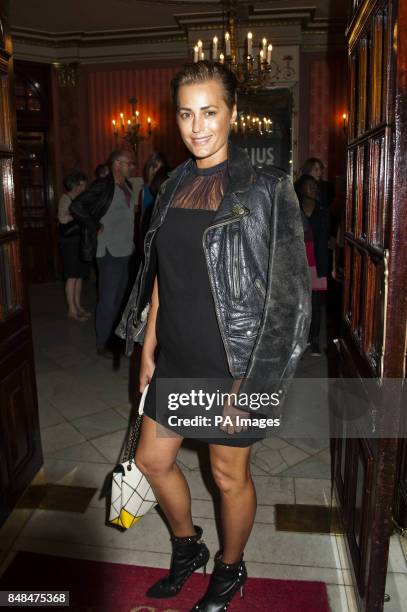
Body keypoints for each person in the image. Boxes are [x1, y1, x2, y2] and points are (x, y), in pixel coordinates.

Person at [117, 61, 311, 611]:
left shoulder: (268, 189)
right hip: (176, 351)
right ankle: (187, 547)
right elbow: (160, 274)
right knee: (154, 462)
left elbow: (290, 300)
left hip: (235, 362)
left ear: (231, 114)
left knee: (228, 476)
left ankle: (230, 568)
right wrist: (148, 346)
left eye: (209, 112)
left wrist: (251, 383)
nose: (197, 126)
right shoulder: (172, 183)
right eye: (186, 113)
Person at [70, 150, 137, 358]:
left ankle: (115, 339)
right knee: (108, 301)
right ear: (117, 164)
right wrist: (93, 224)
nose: (132, 167)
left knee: (120, 300)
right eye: (129, 163)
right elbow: (77, 206)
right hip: (108, 251)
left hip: (126, 250)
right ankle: (102, 344)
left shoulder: (128, 186)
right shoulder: (102, 185)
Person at [295, 174, 329, 356]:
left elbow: (326, 237)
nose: (313, 188)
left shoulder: (322, 210)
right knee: (300, 304)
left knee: (315, 305)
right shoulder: (293, 207)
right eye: (309, 185)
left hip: (317, 262)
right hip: (298, 262)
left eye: (315, 185)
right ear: (300, 188)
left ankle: (314, 340)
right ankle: (300, 339)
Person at [57, 171, 91, 321]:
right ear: (75, 185)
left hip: (80, 241)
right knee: (71, 276)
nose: (84, 187)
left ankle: (78, 307)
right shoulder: (65, 198)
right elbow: (63, 219)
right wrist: (79, 216)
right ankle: (71, 310)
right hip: (69, 242)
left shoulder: (81, 198)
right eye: (82, 184)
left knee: (79, 276)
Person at [139, 151, 169, 244]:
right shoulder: (145, 189)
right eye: (155, 166)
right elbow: (143, 214)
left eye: (160, 167)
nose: (157, 170)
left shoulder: (168, 187)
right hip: (148, 232)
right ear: (150, 168)